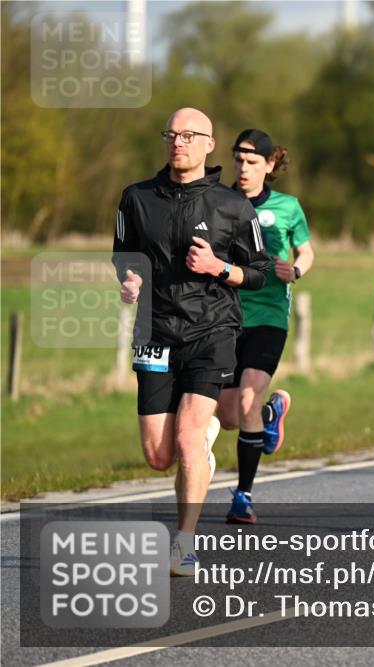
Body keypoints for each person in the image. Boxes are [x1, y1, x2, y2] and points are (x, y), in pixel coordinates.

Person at [112, 107, 269, 575]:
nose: (178, 142)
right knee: (159, 456)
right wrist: (129, 282)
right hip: (154, 332)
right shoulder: (136, 198)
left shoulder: (233, 206)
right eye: (172, 134)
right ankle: (200, 446)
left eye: (189, 135)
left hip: (211, 331)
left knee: (186, 438)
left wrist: (220, 268)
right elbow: (124, 257)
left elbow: (259, 273)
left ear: (208, 144)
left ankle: (184, 543)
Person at [218, 129, 314, 524]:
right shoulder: (219, 202)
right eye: (239, 160)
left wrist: (296, 271)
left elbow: (306, 251)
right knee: (228, 416)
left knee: (246, 402)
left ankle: (243, 495)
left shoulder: (288, 206)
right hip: (225, 314)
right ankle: (272, 416)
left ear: (270, 165)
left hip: (269, 315)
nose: (243, 168)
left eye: (253, 161)